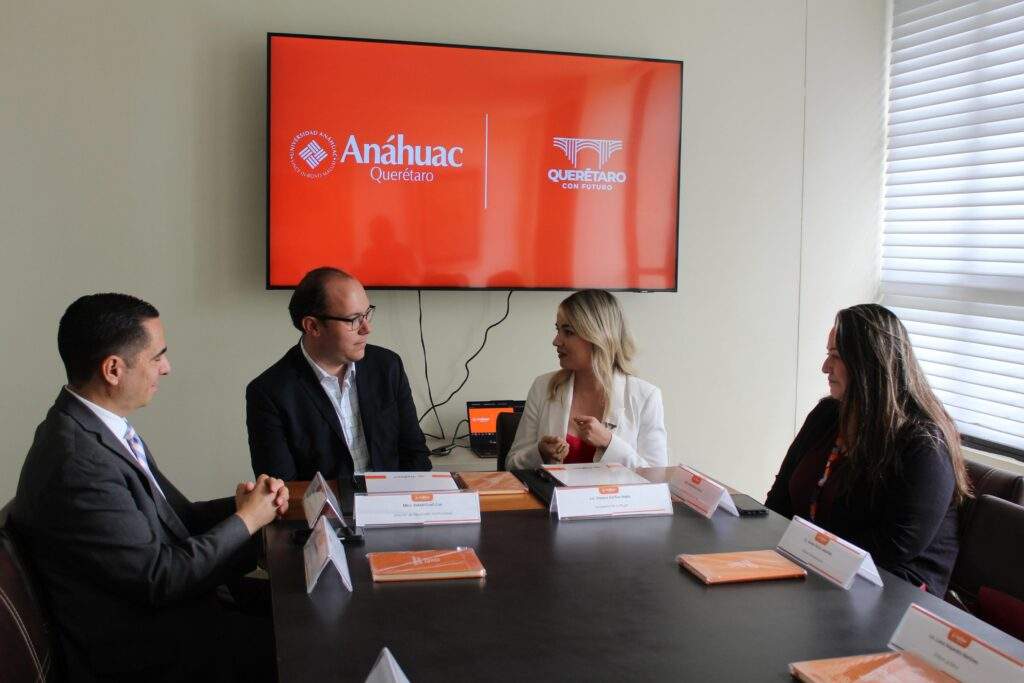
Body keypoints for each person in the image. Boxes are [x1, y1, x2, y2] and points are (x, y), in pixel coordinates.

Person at [10, 293, 289, 682]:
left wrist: (248, 505)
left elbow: (177, 519)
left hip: (177, 612)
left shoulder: (98, 428)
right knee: (312, 645)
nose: (167, 368)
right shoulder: (79, 461)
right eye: (157, 357)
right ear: (113, 369)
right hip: (144, 650)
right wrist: (248, 520)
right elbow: (161, 578)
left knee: (305, 611)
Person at [765, 304, 970, 596]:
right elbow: (779, 499)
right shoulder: (826, 414)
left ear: (869, 364)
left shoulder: (924, 444)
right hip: (817, 570)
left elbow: (894, 548)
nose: (825, 367)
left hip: (890, 591)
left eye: (836, 356)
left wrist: (810, 555)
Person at [246, 267, 431, 481]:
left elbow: (415, 454)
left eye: (367, 314)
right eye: (353, 319)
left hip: (391, 498)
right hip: (324, 503)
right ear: (313, 326)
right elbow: (282, 488)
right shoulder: (269, 392)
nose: (367, 328)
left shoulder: (387, 366)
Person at [506, 289, 668, 469]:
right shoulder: (542, 387)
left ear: (598, 336)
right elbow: (512, 465)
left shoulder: (646, 397)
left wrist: (609, 443)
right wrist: (539, 452)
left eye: (568, 332)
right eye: (558, 330)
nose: (556, 341)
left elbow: (657, 477)